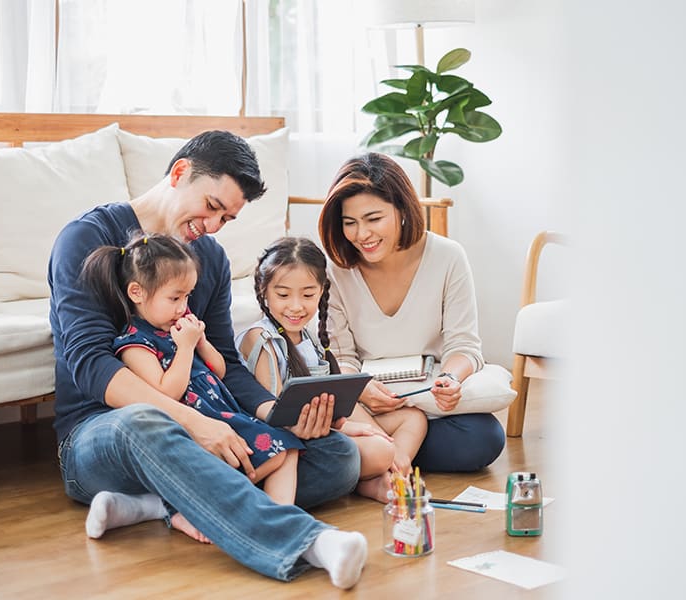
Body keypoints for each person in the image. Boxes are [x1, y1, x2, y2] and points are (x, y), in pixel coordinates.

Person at [48, 130, 366, 588]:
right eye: (212, 206)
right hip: (102, 435)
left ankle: (159, 504)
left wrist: (276, 416)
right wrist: (194, 423)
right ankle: (311, 543)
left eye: (227, 218)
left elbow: (228, 365)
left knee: (337, 456)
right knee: (145, 423)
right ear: (180, 173)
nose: (214, 225)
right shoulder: (85, 238)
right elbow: (91, 364)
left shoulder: (209, 259)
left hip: (200, 419)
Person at [81, 233, 304, 540]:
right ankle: (190, 507)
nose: (183, 307)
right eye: (175, 298)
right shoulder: (135, 343)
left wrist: (201, 341)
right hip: (188, 428)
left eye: (187, 297)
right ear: (137, 292)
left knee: (286, 449)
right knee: (271, 453)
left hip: (223, 415)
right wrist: (184, 348)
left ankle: (281, 517)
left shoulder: (181, 327)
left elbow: (219, 370)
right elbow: (166, 392)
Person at [317, 152, 506, 473]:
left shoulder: (448, 257)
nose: (361, 235)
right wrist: (360, 388)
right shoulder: (335, 271)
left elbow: (464, 347)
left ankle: (378, 455)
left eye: (373, 219)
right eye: (350, 223)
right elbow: (340, 357)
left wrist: (450, 378)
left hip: (427, 398)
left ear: (402, 210)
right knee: (331, 420)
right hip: (370, 404)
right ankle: (388, 450)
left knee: (483, 438)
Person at [236, 237, 427, 502]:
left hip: (325, 427)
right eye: (282, 295)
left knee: (413, 419)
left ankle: (391, 473)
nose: (295, 306)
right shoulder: (260, 338)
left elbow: (332, 402)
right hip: (293, 438)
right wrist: (348, 430)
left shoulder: (310, 339)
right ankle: (379, 473)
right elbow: (277, 417)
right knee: (379, 450)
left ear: (321, 291)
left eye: (307, 294)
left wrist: (352, 426)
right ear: (264, 290)